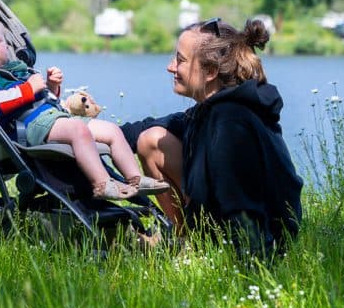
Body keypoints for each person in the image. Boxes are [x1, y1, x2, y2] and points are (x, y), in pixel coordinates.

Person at [120, 17, 303, 255]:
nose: (170, 67)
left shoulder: (230, 122)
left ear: (210, 71)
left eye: (180, 60)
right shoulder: (209, 109)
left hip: (270, 237)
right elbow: (144, 129)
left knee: (153, 140)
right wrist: (82, 131)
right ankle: (184, 242)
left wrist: (253, 267)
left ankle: (196, 251)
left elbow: (242, 204)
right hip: (230, 225)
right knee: (151, 140)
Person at [0, 12, 170, 201]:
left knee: (112, 130)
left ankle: (134, 178)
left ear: (7, 45)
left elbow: (46, 99)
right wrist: (29, 90)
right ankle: (102, 184)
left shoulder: (17, 70)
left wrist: (52, 87)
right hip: (29, 127)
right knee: (78, 130)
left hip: (52, 117)